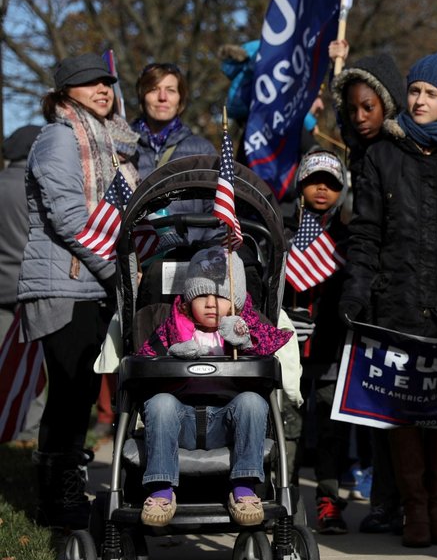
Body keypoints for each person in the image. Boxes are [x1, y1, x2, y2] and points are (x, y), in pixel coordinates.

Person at [338, 51, 437, 549]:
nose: (420, 100)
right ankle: (412, 510)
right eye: (414, 91)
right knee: (404, 412)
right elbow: (366, 232)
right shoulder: (382, 154)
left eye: (431, 93)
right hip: (398, 300)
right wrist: (357, 291)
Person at [19, 53, 140, 529]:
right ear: (65, 93)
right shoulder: (59, 138)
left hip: (94, 285)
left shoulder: (112, 144)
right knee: (70, 393)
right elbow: (69, 217)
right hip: (64, 283)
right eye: (90, 83)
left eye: (107, 81)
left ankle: (68, 487)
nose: (103, 88)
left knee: (85, 394)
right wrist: (113, 271)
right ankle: (57, 499)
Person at [136, 246, 294, 526]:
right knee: (159, 402)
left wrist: (246, 343)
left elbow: (272, 343)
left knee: (252, 402)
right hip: (180, 421)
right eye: (202, 296)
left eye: (221, 296)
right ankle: (161, 489)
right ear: (187, 300)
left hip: (228, 425)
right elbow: (143, 359)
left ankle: (244, 487)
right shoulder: (171, 326)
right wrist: (169, 353)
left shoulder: (246, 325)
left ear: (236, 301)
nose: (211, 303)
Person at [328, 40, 406, 534]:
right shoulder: (358, 153)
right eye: (352, 108)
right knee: (377, 405)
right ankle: (384, 500)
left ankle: (410, 501)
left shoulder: (400, 154)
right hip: (371, 292)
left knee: (405, 407)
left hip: (404, 290)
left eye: (369, 106)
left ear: (389, 104)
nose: (359, 116)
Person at [283, 149, 354, 533]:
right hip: (288, 349)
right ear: (301, 186)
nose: (322, 189)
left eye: (331, 184)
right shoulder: (282, 231)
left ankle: (328, 498)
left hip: (330, 347)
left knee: (330, 429)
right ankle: (286, 498)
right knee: (288, 425)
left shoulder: (346, 238)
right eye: (314, 182)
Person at [0, 125, 45, 442]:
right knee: (33, 368)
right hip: (32, 287)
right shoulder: (37, 188)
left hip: (1, 291)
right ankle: (27, 434)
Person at [132, 62, 216, 179]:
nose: (162, 97)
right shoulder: (121, 146)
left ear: (180, 99)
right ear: (142, 96)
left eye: (170, 90)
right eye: (153, 89)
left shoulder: (202, 151)